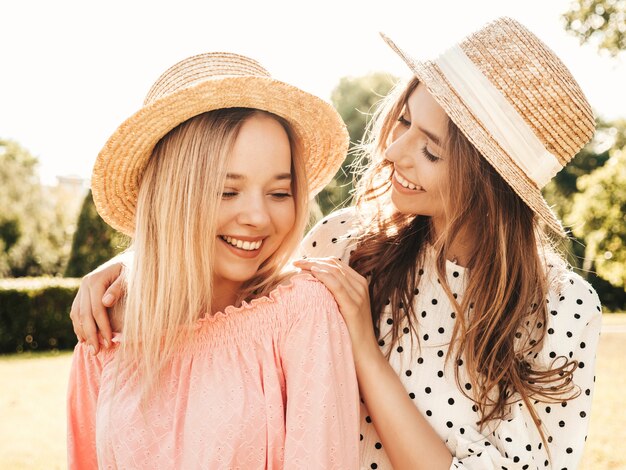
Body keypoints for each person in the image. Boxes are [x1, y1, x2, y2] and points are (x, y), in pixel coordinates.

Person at [70, 18, 602, 470]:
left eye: (431, 151)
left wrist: (366, 353)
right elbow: (239, 262)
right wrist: (132, 262)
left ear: (491, 181)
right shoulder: (348, 241)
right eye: (405, 122)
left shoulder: (563, 309)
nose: (393, 150)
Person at [66, 52, 359, 469]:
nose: (258, 217)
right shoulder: (103, 331)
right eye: (227, 191)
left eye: (279, 193)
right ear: (172, 195)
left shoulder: (303, 311)